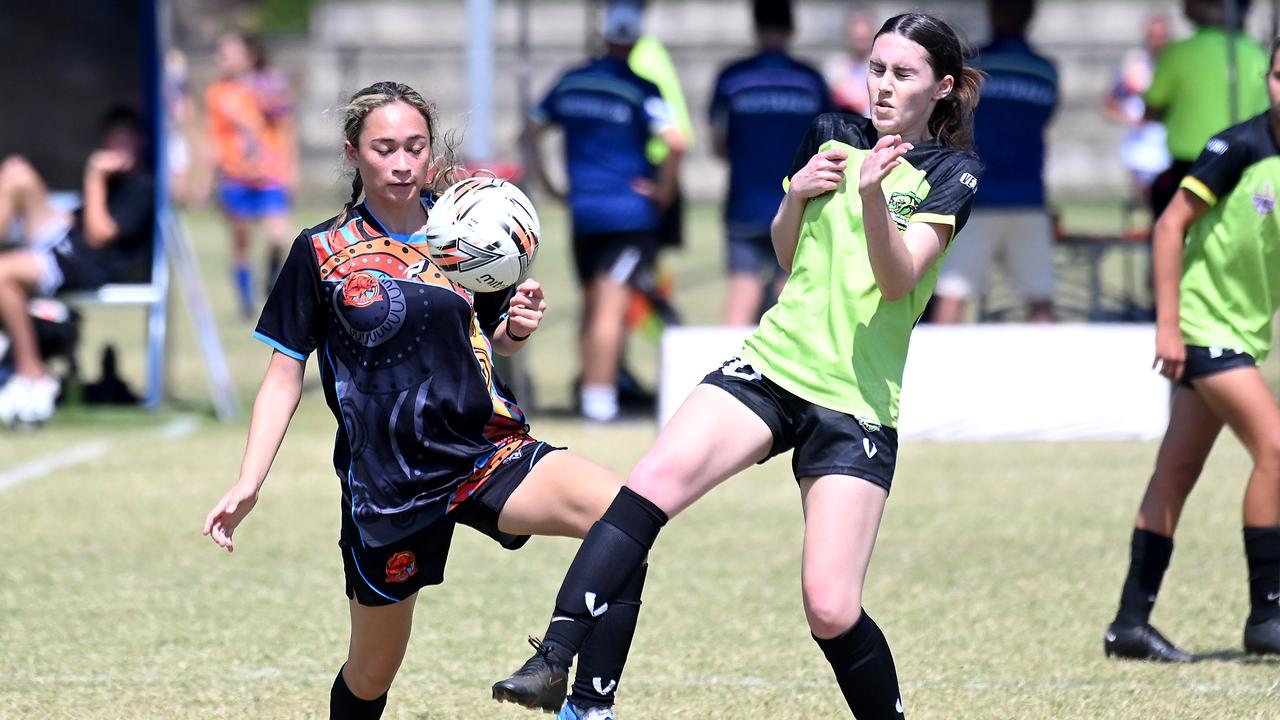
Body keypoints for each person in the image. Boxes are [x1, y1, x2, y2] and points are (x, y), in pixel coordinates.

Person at [495, 13, 982, 718]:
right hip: (772, 365)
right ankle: (558, 667)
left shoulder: (952, 171)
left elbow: (900, 278)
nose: (882, 86)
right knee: (646, 490)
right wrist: (794, 194)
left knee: (831, 608)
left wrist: (874, 193)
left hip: (856, 404)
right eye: (877, 68)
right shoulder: (831, 133)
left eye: (901, 74)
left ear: (940, 88)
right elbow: (787, 254)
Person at [202, 81, 649, 720]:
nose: (403, 162)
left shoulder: (466, 229)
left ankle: (585, 703)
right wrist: (250, 481)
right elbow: (282, 376)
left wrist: (516, 325)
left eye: (415, 146)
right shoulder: (321, 250)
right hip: (389, 481)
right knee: (369, 674)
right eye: (385, 148)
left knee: (623, 517)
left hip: (485, 450)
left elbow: (493, 341)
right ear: (354, 152)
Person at [1103, 39, 1280, 663]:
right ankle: (1268, 615)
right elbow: (1169, 224)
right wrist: (1169, 327)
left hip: (1242, 334)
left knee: (1176, 471)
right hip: (1206, 328)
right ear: (1268, 78)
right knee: (1278, 450)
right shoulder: (1237, 147)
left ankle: (1129, 623)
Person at [527, 2, 685, 422]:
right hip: (629, 217)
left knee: (592, 305)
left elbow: (531, 129)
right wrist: (663, 192)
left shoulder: (571, 82)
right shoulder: (642, 87)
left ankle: (591, 392)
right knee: (610, 309)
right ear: (634, 40)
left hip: (584, 214)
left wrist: (549, 184)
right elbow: (676, 143)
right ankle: (600, 404)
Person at [0, 107, 154, 427]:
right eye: (113, 135)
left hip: (89, 266)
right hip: (69, 247)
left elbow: (98, 236)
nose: (118, 144)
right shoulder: (111, 183)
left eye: (126, 135)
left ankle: (32, 372)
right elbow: (79, 221)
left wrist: (94, 176)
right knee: (17, 172)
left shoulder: (141, 185)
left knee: (3, 274)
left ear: (140, 141)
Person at [931, 0, 1056, 324]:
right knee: (1040, 299)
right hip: (1028, 193)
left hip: (975, 192)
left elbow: (951, 117)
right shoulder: (1046, 71)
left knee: (953, 293)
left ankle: (935, 371)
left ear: (994, 13)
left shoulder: (973, 65)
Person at [709, 0, 831, 324]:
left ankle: (724, 371)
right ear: (792, 29)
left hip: (744, 203)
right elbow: (827, 141)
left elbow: (718, 144)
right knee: (788, 296)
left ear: (755, 27)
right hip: (796, 204)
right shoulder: (811, 80)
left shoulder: (732, 78)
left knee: (742, 294)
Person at [201, 31, 297, 318]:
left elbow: (286, 128)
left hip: (269, 174)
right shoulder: (217, 93)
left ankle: (272, 279)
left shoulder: (269, 86)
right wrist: (206, 179)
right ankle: (245, 301)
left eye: (228, 53)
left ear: (248, 55)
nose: (222, 59)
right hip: (235, 176)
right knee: (241, 241)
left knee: (279, 235)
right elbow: (213, 138)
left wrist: (291, 167)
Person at [1145, 0, 1269, 218]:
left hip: (1191, 172)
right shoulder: (1259, 55)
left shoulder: (1177, 54)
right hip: (1241, 170)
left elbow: (1152, 110)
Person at [1103, 12, 1174, 204]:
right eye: (1153, 36)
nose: (1158, 42)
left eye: (1161, 36)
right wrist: (1131, 120)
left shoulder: (1178, 64)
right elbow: (1110, 103)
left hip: (1171, 146)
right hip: (1141, 149)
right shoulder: (1135, 65)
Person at [824, 10, 876, 116]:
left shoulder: (880, 67)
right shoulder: (835, 67)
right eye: (857, 39)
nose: (860, 42)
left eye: (863, 39)